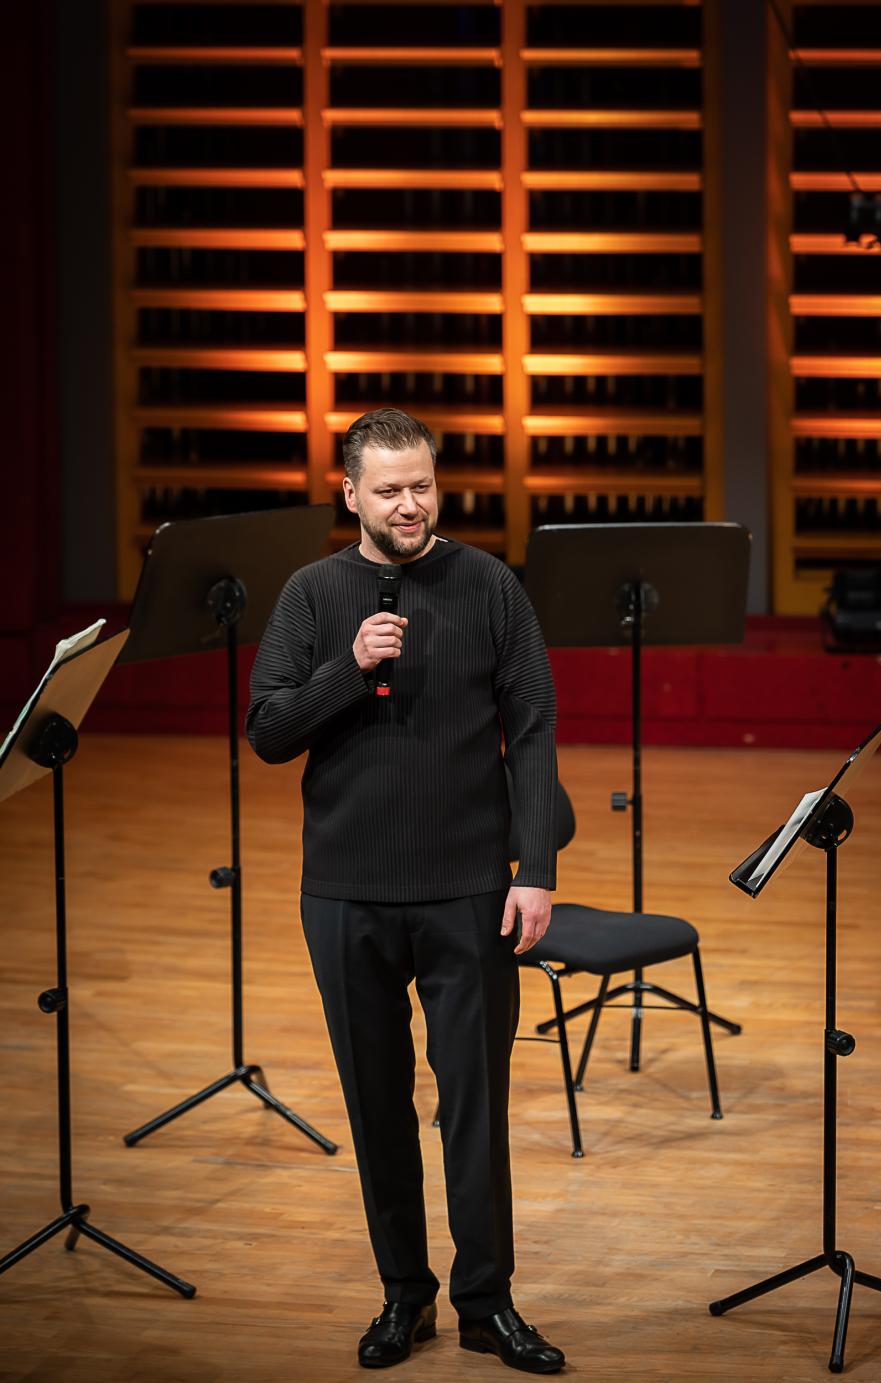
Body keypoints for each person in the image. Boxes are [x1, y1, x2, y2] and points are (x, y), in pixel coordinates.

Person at [246, 408, 565, 1374]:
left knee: (474, 1101)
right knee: (377, 1102)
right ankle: (403, 1295)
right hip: (346, 892)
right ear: (351, 496)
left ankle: (488, 1302)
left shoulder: (490, 585)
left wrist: (537, 867)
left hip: (468, 886)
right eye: (388, 489)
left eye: (421, 484)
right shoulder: (312, 594)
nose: (410, 504)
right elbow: (268, 729)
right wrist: (351, 666)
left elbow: (536, 726)